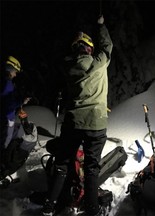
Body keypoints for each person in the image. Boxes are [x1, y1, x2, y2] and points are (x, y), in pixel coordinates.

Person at [41, 14, 113, 216]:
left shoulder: (68, 67)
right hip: (96, 124)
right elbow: (107, 47)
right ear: (89, 48)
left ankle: (49, 206)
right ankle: (92, 211)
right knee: (91, 169)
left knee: (62, 165)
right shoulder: (99, 62)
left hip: (73, 122)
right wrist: (101, 27)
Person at [0, 56, 31, 150]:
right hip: (7, 119)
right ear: (10, 69)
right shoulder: (7, 85)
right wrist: (22, 101)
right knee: (5, 141)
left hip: (4, 118)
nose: (15, 75)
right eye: (15, 72)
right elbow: (9, 105)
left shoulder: (4, 82)